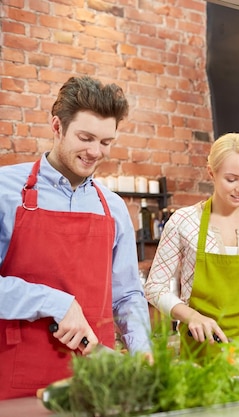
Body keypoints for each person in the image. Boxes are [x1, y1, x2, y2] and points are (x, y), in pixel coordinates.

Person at [0, 76, 152, 400]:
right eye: (85, 137)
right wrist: (54, 302)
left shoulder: (113, 207)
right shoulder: (5, 191)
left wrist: (144, 352)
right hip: (17, 380)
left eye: (106, 142)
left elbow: (127, 296)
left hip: (98, 381)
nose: (95, 152)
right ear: (57, 126)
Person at [144, 133, 239, 356]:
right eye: (232, 179)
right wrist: (191, 316)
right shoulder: (184, 222)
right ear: (212, 172)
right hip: (202, 354)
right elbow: (155, 287)